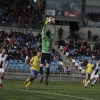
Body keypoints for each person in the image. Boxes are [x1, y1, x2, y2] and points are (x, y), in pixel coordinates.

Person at [40, 18, 56, 85]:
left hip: (43, 53)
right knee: (47, 66)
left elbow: (43, 29)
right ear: (49, 34)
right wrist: (53, 24)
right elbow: (54, 30)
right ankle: (46, 78)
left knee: (41, 66)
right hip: (48, 54)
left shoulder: (43, 37)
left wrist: (46, 23)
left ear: (46, 34)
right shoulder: (51, 38)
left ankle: (42, 74)